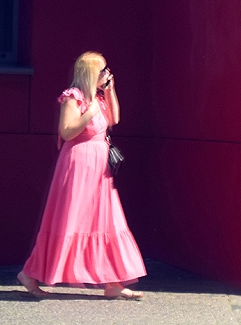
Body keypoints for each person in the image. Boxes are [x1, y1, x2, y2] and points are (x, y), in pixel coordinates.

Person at [17, 51, 147, 299]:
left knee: (105, 220)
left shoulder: (97, 97)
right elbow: (66, 132)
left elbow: (114, 119)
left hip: (99, 168)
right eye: (103, 71)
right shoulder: (73, 97)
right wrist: (88, 113)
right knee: (69, 219)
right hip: (78, 166)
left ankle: (112, 282)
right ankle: (29, 274)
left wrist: (110, 90)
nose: (107, 74)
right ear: (90, 74)